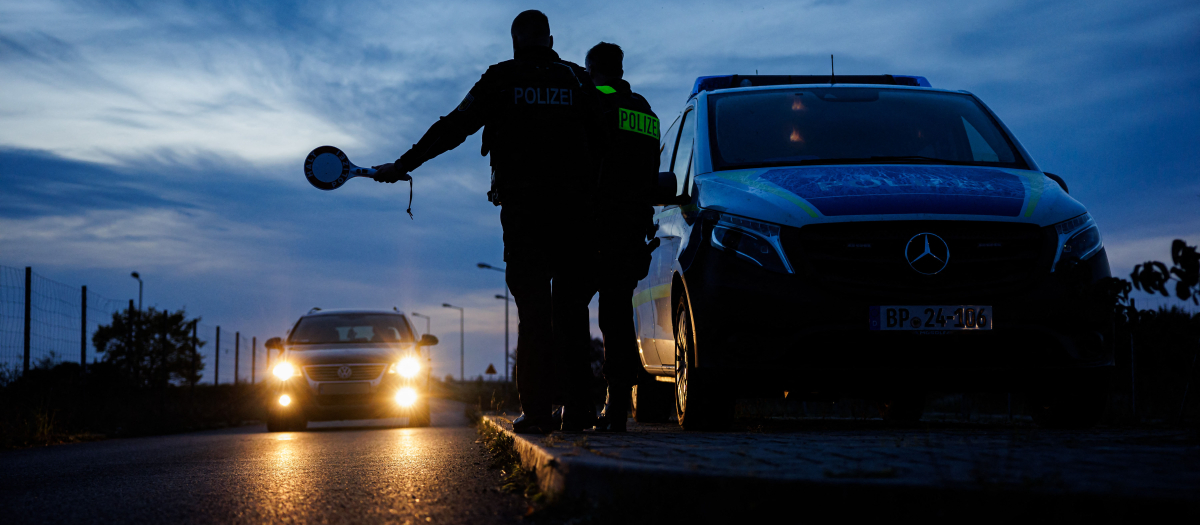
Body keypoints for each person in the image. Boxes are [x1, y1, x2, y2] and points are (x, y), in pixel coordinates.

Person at [371, 10, 605, 433]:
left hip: (525, 213)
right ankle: (581, 410)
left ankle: (536, 414)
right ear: (550, 40)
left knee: (533, 312)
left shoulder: (500, 79)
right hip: (576, 214)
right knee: (572, 311)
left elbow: (452, 128)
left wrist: (403, 164)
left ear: (515, 42)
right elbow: (604, 142)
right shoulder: (577, 79)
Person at [582, 42, 661, 432]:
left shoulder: (594, 104)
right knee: (617, 317)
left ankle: (577, 402)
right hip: (632, 229)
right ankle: (617, 406)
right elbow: (651, 173)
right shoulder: (646, 112)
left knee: (571, 308)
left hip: (595, 225)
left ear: (592, 68)